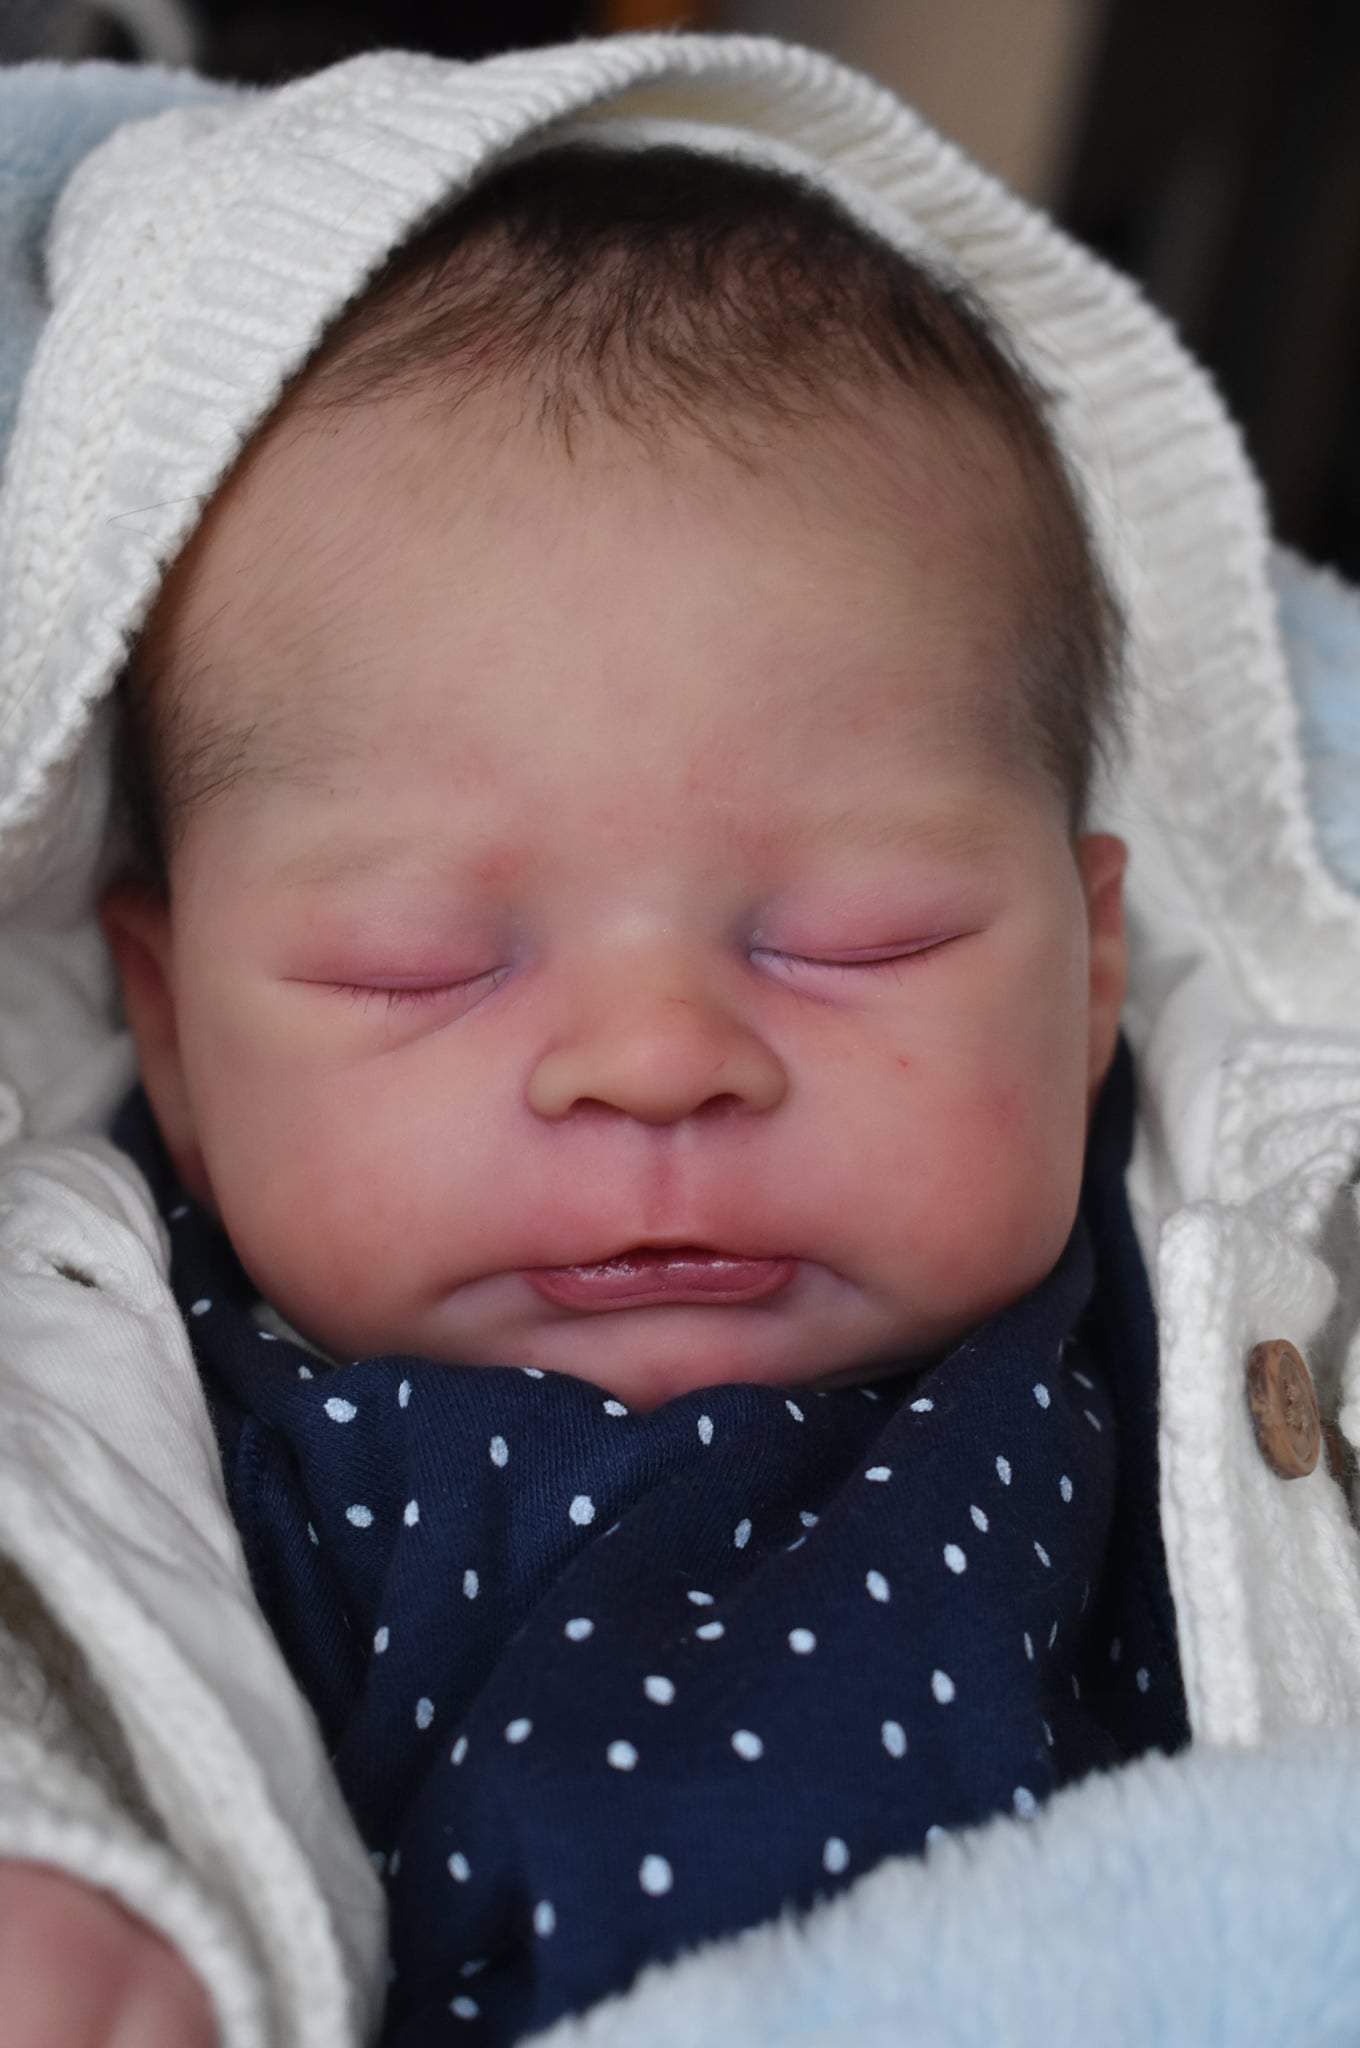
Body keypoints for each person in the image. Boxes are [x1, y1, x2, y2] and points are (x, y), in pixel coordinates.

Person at [1, 32, 1358, 2048]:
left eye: (860, 937)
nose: (652, 1063)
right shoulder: (135, 1404)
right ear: (178, 1034)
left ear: (1089, 967)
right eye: (417, 966)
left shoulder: (1214, 1279)